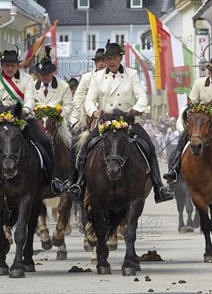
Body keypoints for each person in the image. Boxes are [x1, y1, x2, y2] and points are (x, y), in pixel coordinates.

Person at [66, 41, 174, 203]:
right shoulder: (97, 77)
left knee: (149, 146)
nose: (111, 61)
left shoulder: (132, 74)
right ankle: (79, 184)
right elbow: (89, 100)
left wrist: (135, 110)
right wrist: (94, 112)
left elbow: (142, 96)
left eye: (114, 57)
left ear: (120, 58)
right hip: (105, 122)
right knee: (85, 148)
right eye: (108, 58)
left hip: (128, 122)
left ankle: (159, 187)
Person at [0, 49, 64, 201]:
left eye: (13, 65)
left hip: (22, 117)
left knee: (45, 141)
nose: (10, 68)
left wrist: (24, 110)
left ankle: (51, 179)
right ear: (2, 65)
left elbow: (30, 98)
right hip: (0, 120)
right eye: (6, 65)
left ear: (18, 65)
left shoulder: (27, 79)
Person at [66, 48, 106, 187]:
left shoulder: (114, 77)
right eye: (98, 61)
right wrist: (85, 114)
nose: (101, 64)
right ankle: (73, 182)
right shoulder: (87, 77)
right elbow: (77, 99)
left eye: (103, 61)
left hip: (109, 118)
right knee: (75, 144)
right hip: (87, 118)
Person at [33, 48, 73, 122]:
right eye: (42, 74)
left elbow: (68, 107)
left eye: (47, 74)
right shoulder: (32, 87)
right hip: (37, 124)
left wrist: (58, 114)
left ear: (52, 73)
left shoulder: (64, 86)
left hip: (58, 124)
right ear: (39, 73)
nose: (45, 77)